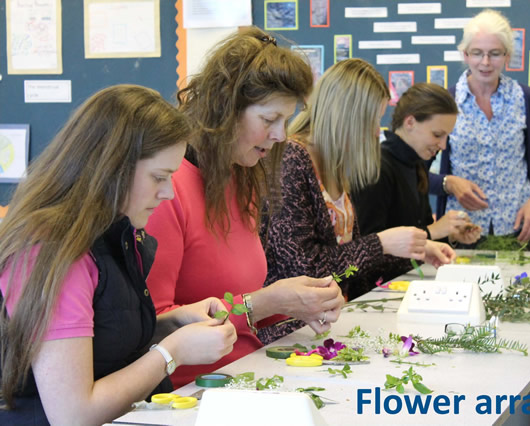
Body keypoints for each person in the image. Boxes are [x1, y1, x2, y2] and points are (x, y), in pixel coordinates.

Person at [0, 85, 237, 425]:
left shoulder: (116, 233)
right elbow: (73, 414)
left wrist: (172, 325)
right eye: (159, 177)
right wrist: (174, 352)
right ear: (112, 168)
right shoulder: (52, 251)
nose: (169, 193)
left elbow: (102, 341)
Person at [145, 27, 344, 389]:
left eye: (285, 120)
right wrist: (267, 302)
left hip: (247, 372)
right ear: (227, 111)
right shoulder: (165, 193)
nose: (281, 135)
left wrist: (300, 302)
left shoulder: (241, 176)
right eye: (269, 120)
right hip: (192, 389)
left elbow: (244, 305)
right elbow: (155, 325)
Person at [260, 59, 455, 342]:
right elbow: (305, 270)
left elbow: (353, 266)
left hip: (328, 328)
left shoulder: (337, 165)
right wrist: (383, 243)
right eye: (373, 120)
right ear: (347, 116)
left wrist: (412, 251)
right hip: (289, 336)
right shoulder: (291, 160)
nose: (378, 131)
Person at [429, 9, 530, 243]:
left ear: (507, 56)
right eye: (477, 53)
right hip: (460, 233)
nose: (485, 63)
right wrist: (448, 183)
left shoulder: (526, 99)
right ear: (465, 54)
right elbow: (415, 173)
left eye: (495, 53)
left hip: (518, 232)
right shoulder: (445, 103)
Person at [352, 82, 482, 246]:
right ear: (410, 122)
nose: (442, 145)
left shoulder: (417, 164)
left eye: (446, 137)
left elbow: (422, 234)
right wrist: (434, 230)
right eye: (437, 135)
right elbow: (367, 248)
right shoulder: (378, 168)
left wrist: (450, 234)